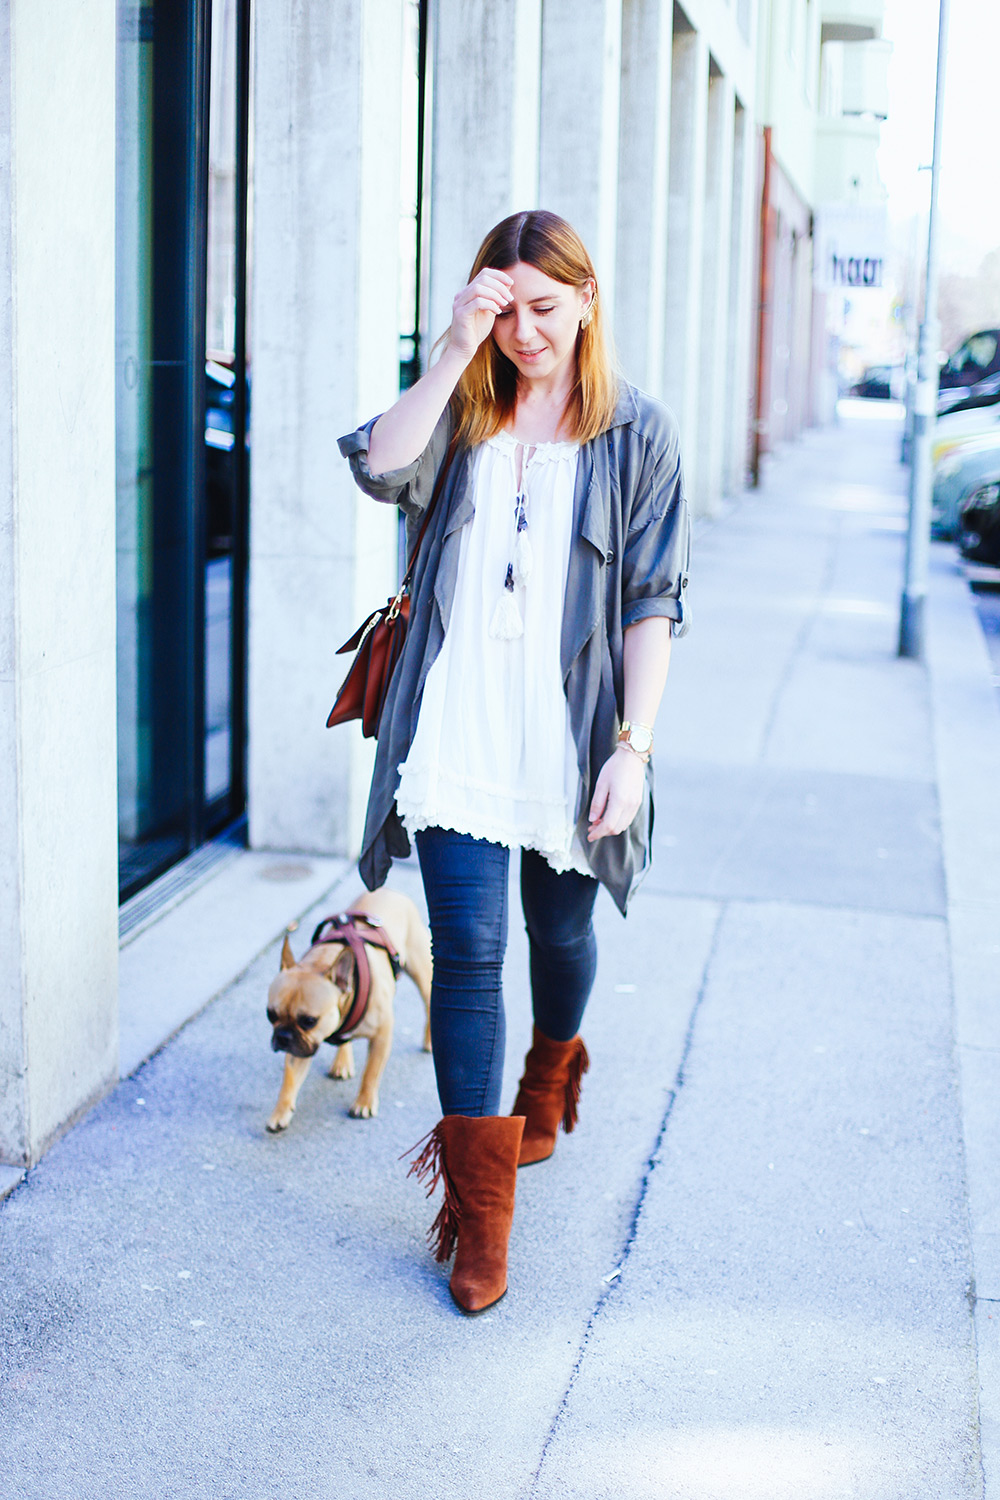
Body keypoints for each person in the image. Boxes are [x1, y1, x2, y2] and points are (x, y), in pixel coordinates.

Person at [338, 209, 689, 1316]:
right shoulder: (466, 401)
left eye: (545, 307)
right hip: (455, 719)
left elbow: (649, 605)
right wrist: (450, 351)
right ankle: (480, 1218)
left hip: (569, 727)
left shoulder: (638, 435)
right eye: (505, 307)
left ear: (586, 299)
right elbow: (379, 466)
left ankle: (553, 1067)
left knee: (562, 930)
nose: (525, 331)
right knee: (473, 953)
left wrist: (631, 748)